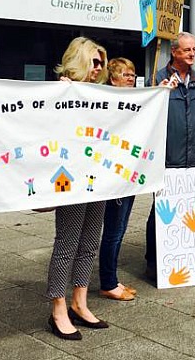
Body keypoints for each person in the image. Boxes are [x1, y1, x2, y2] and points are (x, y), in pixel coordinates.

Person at [145, 32, 195, 280]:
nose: (192, 54)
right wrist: (156, 94)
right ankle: (154, 262)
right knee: (161, 212)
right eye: (187, 50)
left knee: (191, 213)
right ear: (175, 52)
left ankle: (185, 258)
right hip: (168, 160)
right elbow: (147, 119)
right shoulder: (158, 80)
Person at [45, 37, 109, 341]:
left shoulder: (101, 94)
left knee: (90, 242)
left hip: (96, 177)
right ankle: (58, 308)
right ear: (79, 60)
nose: (98, 68)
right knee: (67, 243)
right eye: (94, 62)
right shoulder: (60, 90)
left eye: (101, 63)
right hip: (68, 177)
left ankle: (79, 302)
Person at [98, 58, 138, 301]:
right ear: (113, 79)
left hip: (129, 175)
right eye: (125, 74)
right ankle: (108, 282)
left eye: (132, 74)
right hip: (113, 176)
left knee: (120, 228)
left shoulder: (136, 101)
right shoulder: (107, 103)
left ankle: (111, 278)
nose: (131, 78)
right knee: (113, 230)